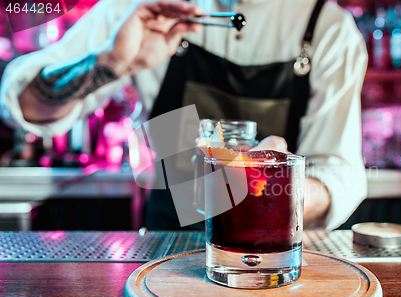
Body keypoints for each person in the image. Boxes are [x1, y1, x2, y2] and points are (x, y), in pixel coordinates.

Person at [0, 0, 368, 230]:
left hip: (271, 251)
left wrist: (268, 184)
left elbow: (336, 173)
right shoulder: (143, 7)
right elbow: (25, 105)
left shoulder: (327, 28)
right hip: (167, 252)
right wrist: (108, 63)